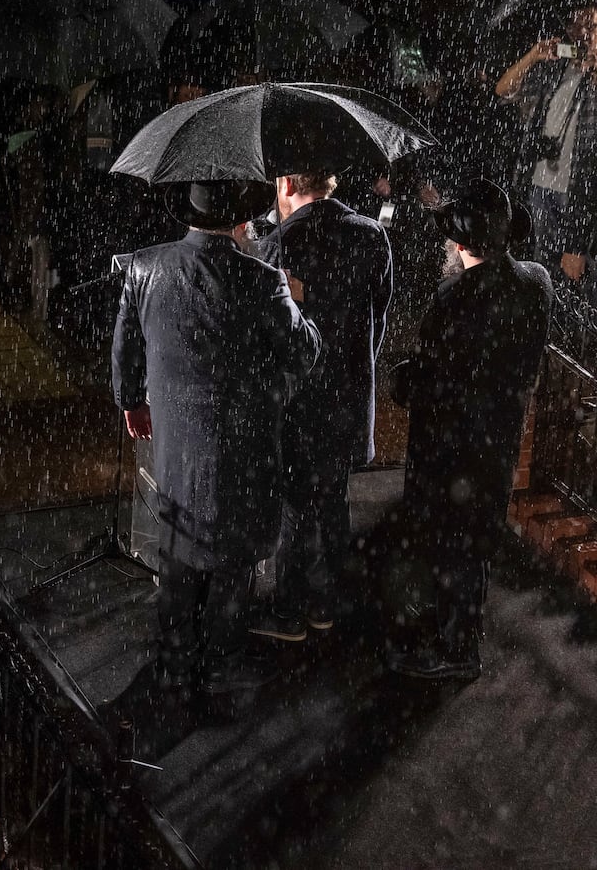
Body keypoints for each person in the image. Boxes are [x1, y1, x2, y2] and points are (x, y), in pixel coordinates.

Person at [111, 180, 321, 714]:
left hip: (177, 444)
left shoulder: (143, 267)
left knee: (179, 549)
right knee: (234, 558)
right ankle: (220, 666)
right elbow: (302, 355)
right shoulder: (263, 279)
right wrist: (296, 305)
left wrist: (132, 402)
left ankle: (176, 664)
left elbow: (125, 348)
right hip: (244, 446)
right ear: (240, 222)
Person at [389, 180, 551, 679]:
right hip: (497, 438)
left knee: (452, 537)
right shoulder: (536, 282)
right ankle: (460, 631)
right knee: (475, 537)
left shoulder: (452, 298)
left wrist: (402, 377)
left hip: (452, 444)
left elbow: (430, 380)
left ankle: (457, 651)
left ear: (460, 246)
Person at [250, 170, 393, 641]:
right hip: (349, 396)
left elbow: (268, 334)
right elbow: (379, 312)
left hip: (299, 400)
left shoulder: (280, 244)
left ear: (287, 184)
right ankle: (327, 603)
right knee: (333, 498)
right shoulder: (371, 234)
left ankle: (288, 611)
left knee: (293, 503)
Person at [495, 5, 597, 292]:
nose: (585, 34)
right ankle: (547, 328)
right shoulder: (556, 72)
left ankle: (579, 334)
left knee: (581, 278)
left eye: (592, 26)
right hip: (542, 186)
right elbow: (503, 91)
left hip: (580, 195)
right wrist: (533, 56)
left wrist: (577, 241)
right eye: (579, 26)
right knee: (543, 277)